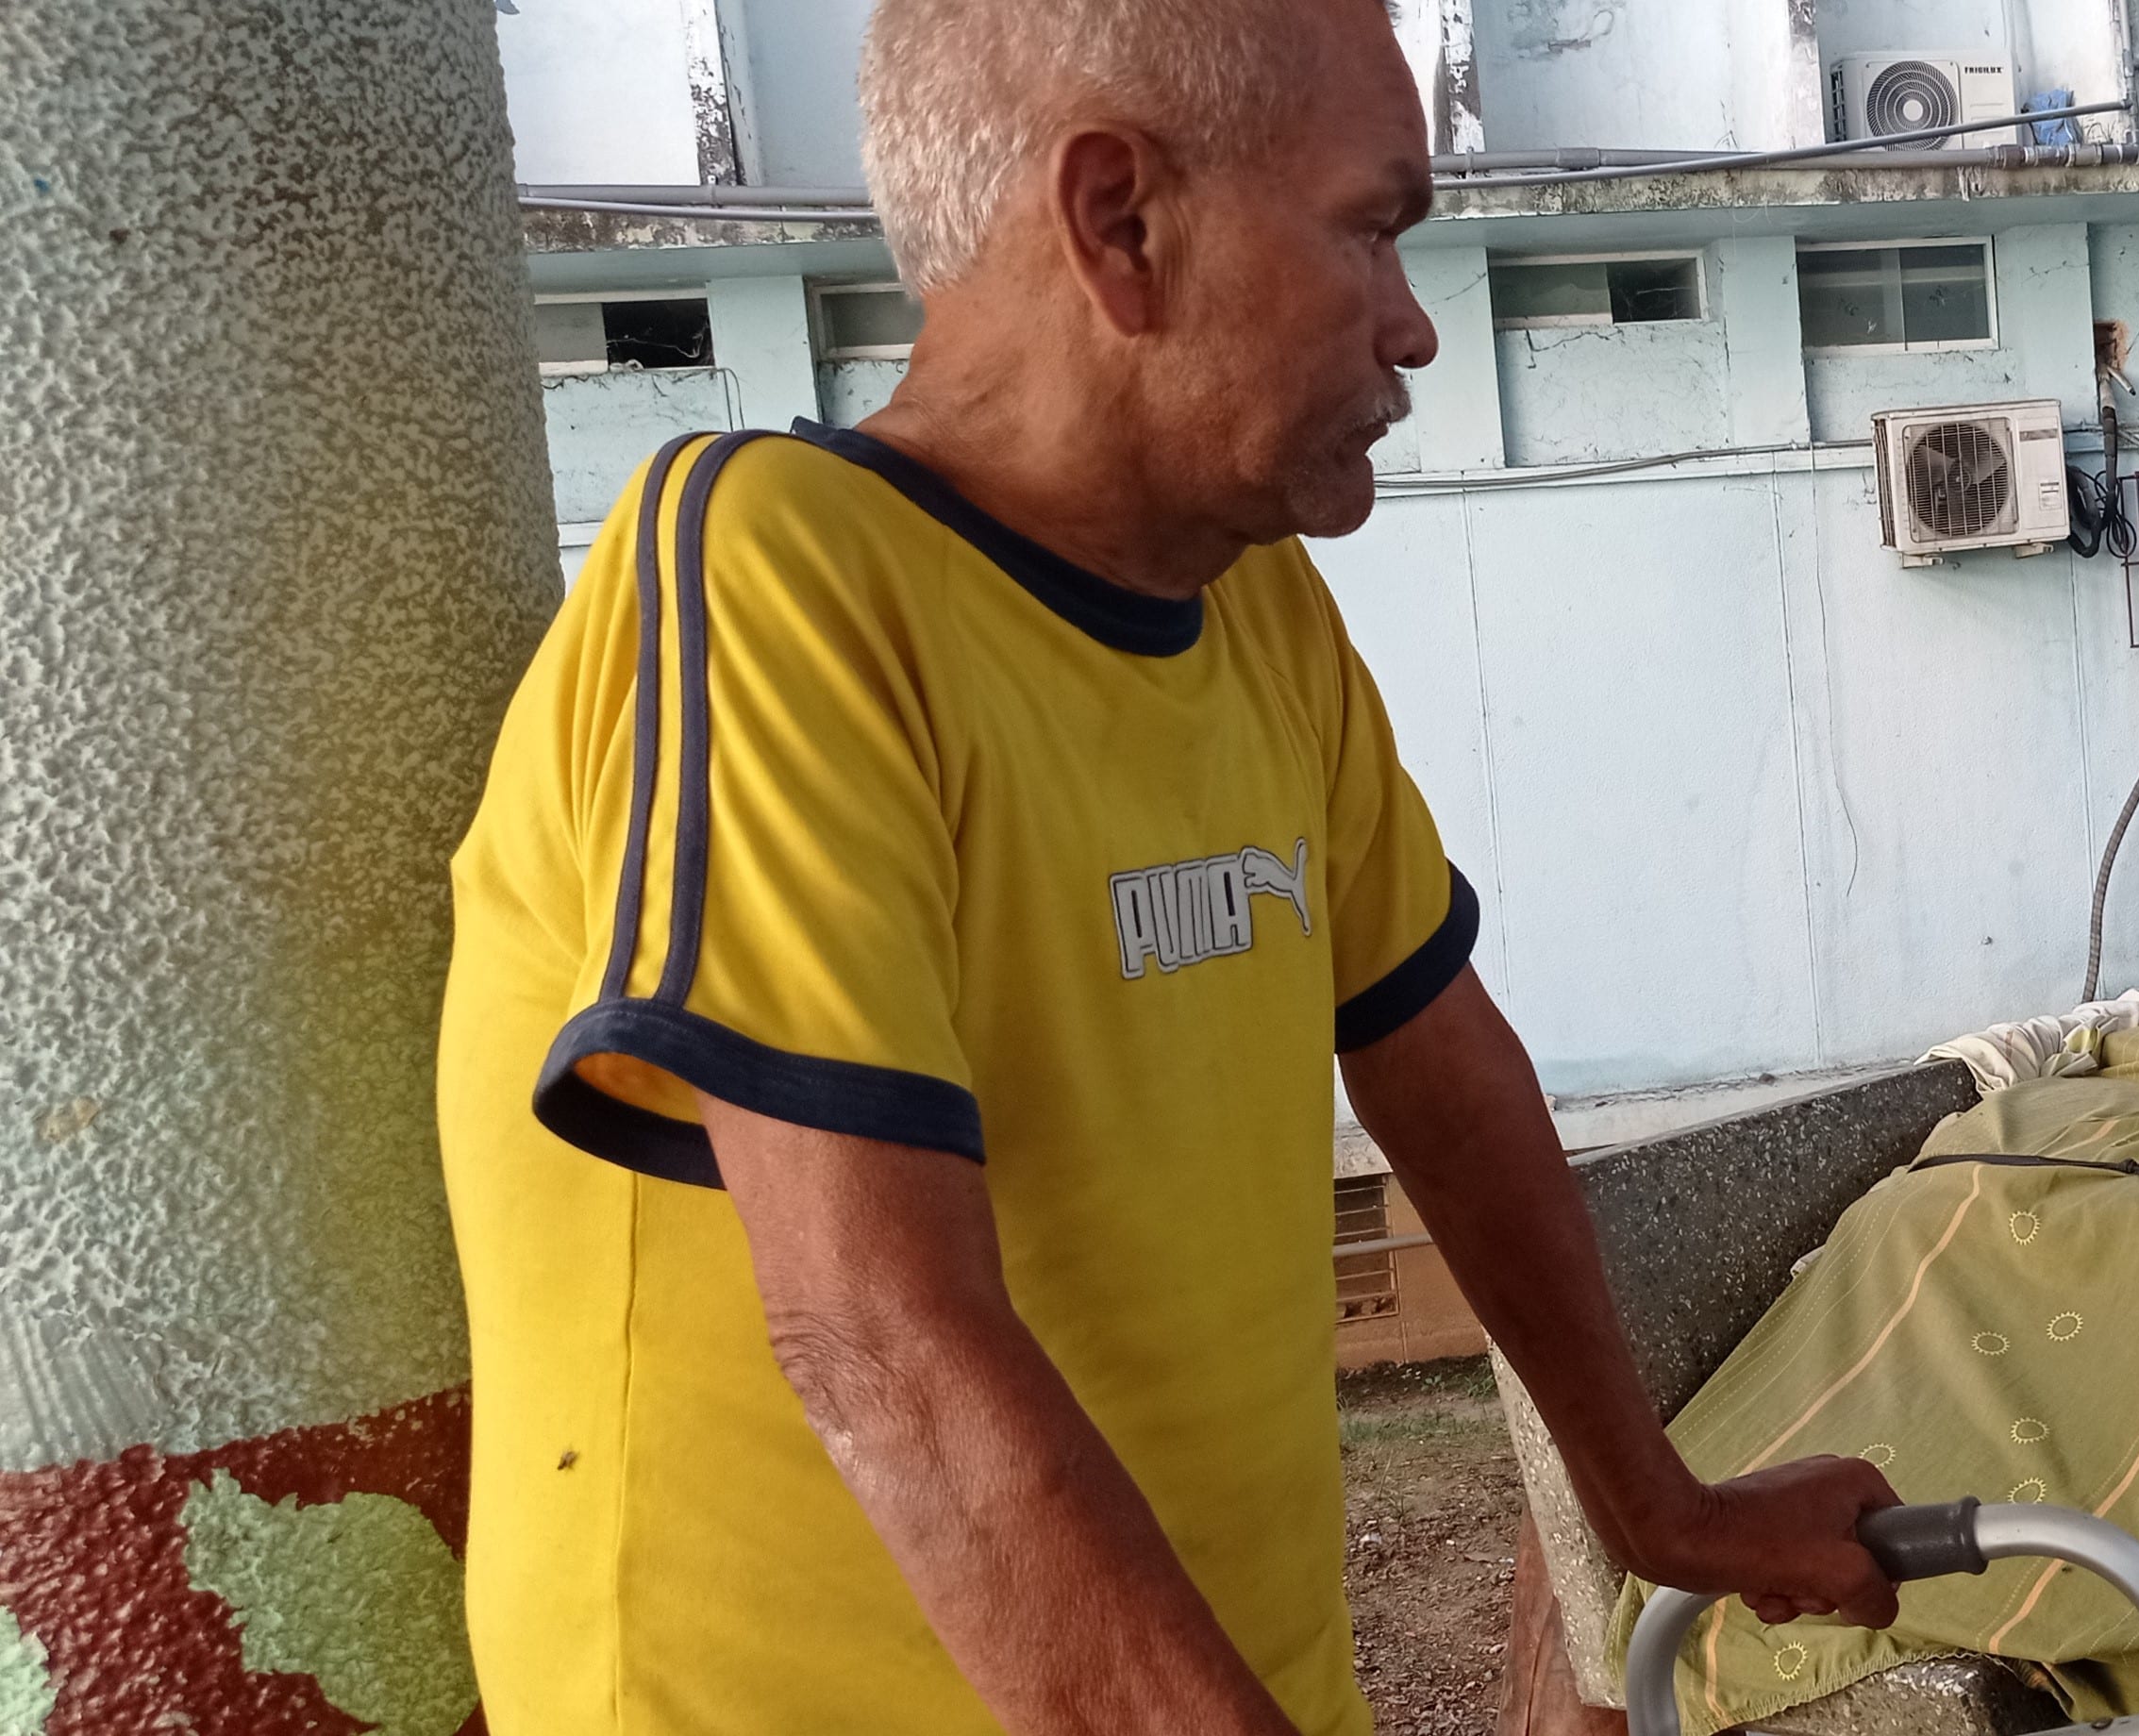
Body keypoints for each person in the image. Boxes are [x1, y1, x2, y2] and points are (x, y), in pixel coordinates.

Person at [434, 2, 1899, 1730]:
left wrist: (1651, 1503)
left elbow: (1444, 1078)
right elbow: (877, 1347)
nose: (1414, 326)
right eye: (1368, 227)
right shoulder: (779, 581)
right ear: (1119, 222)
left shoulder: (1254, 617)